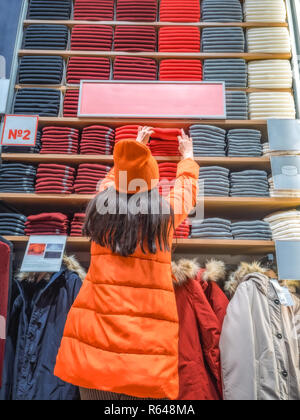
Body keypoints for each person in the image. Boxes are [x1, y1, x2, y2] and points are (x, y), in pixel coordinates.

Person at [54, 126, 199, 400]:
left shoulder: (99, 213)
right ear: (153, 183)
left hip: (95, 356)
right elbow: (186, 192)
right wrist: (187, 157)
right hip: (146, 362)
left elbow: (111, 183)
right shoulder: (163, 219)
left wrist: (133, 150)